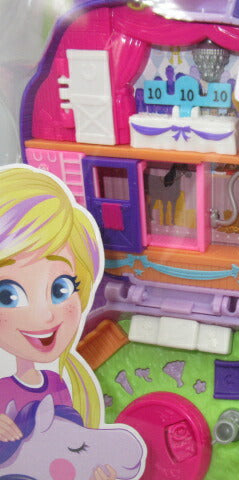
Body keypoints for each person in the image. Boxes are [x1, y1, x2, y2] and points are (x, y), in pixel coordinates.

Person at [0, 166, 118, 479]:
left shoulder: (60, 384)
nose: (45, 316)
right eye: (7, 294)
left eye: (61, 289)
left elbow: (68, 452)